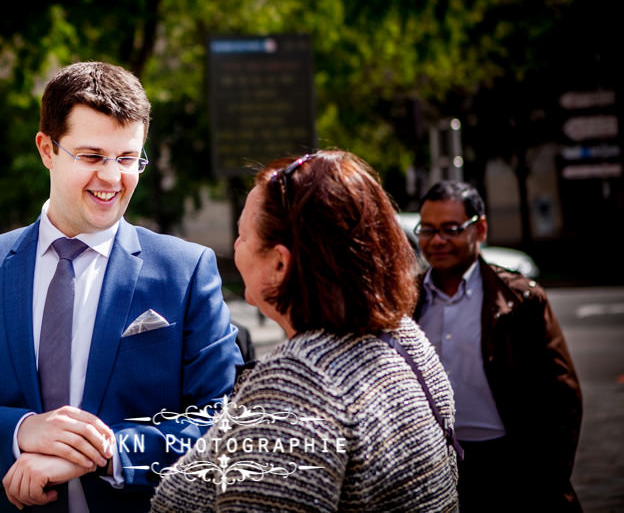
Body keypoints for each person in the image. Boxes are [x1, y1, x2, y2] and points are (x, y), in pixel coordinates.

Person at [0, 61, 242, 512]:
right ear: (46, 149)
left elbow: (225, 422)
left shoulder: (186, 269)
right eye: (92, 156)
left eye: (127, 158)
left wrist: (106, 453)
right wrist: (19, 433)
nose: (112, 177)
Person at [152, 151, 459, 512]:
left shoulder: (297, 385)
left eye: (243, 237)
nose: (236, 248)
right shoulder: (404, 338)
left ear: (280, 263)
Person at [412, 180, 582, 512]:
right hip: (431, 463)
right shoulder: (404, 302)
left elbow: (563, 396)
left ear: (481, 229)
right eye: (427, 229)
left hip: (508, 463)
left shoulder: (521, 299)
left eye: (451, 229)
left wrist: (550, 477)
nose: (437, 240)